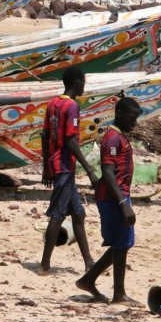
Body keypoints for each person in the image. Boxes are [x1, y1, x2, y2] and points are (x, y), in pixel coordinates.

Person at [76, 98, 142, 304]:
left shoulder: (119, 136)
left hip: (118, 196)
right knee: (121, 244)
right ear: (120, 114)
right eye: (132, 118)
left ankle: (89, 279)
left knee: (121, 244)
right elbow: (108, 172)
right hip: (114, 197)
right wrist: (124, 204)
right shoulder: (113, 138)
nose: (135, 123)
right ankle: (118, 293)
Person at [39, 67, 101, 274]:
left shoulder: (53, 103)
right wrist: (90, 168)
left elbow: (45, 135)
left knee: (78, 214)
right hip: (65, 166)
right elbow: (70, 141)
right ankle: (45, 264)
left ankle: (89, 262)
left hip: (58, 165)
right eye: (83, 82)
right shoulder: (71, 106)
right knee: (57, 215)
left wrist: (46, 166)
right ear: (77, 82)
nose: (84, 86)